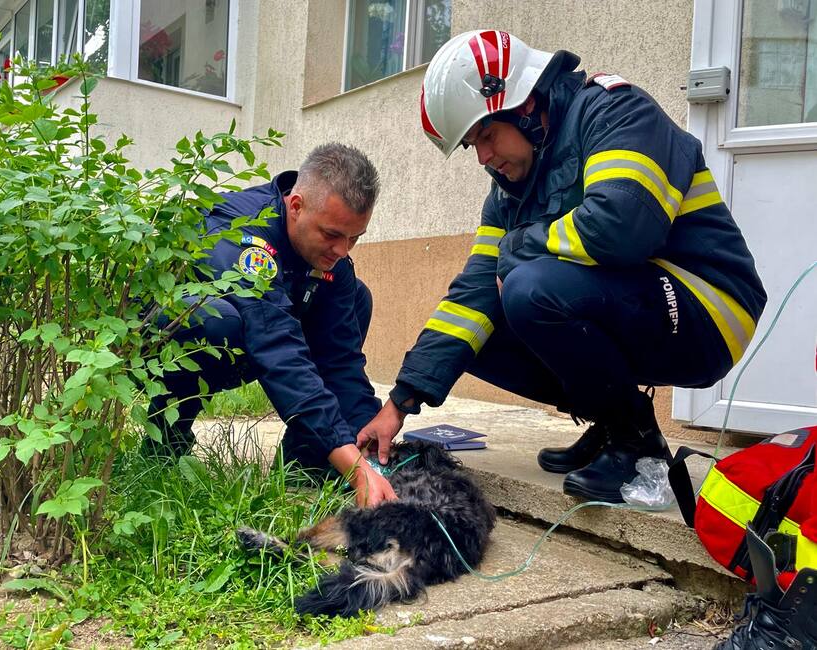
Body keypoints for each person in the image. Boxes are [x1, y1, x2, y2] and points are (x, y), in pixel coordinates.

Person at [357, 30, 767, 504]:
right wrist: (400, 403)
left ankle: (635, 444)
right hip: (643, 304)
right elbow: (471, 295)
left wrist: (518, 249)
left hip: (709, 307)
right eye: (473, 146)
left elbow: (623, 225)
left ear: (527, 105)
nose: (485, 158)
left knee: (530, 288)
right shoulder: (509, 189)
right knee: (480, 330)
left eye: (487, 134)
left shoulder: (616, 113)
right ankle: (615, 421)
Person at [145, 143, 396, 507]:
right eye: (331, 235)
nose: (343, 250)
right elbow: (278, 347)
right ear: (296, 207)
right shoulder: (245, 235)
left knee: (356, 295)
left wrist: (366, 444)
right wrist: (354, 468)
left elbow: (340, 361)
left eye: (354, 237)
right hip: (164, 345)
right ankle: (165, 441)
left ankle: (307, 460)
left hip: (259, 338)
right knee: (218, 324)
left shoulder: (334, 259)